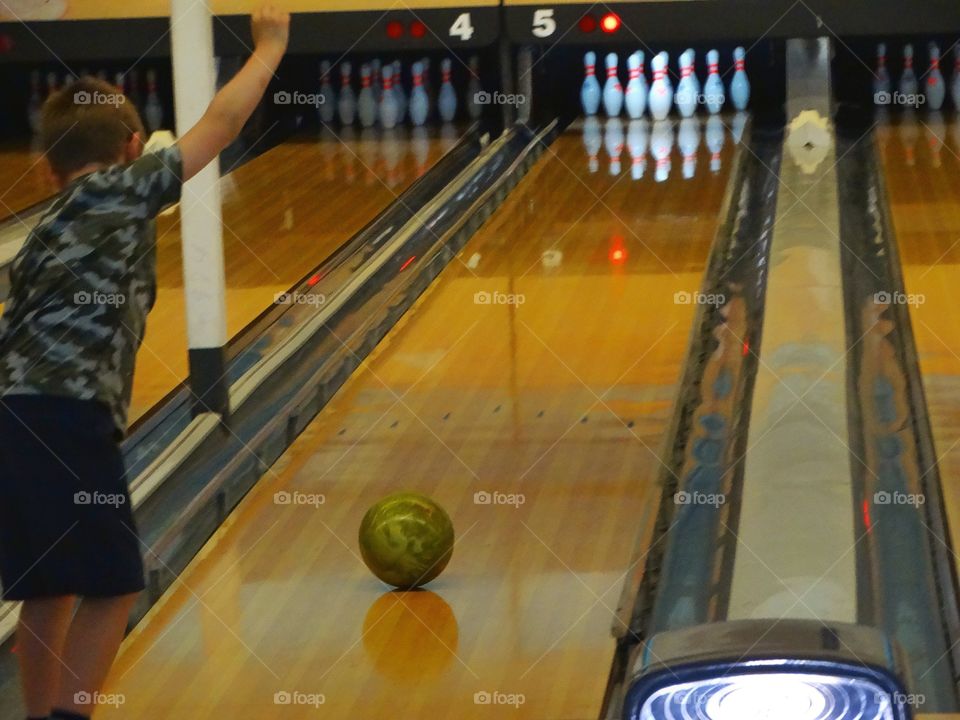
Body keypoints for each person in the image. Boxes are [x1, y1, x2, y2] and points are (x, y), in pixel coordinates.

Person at [0, 5, 290, 719]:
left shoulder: (41, 235)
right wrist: (271, 48)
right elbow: (220, 125)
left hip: (15, 419)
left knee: (48, 588)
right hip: (69, 418)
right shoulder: (128, 188)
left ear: (45, 170)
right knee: (117, 584)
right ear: (134, 147)